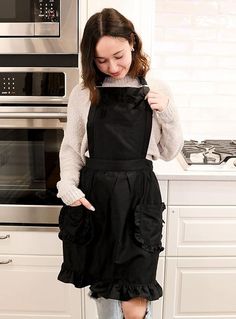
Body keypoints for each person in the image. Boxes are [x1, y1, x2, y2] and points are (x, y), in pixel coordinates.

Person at [56, 8, 183, 319]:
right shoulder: (83, 92)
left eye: (119, 55)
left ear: (132, 42)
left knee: (136, 292)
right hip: (96, 194)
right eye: (101, 60)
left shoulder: (156, 87)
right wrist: (66, 184)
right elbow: (72, 147)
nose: (112, 66)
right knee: (104, 289)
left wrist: (167, 114)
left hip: (140, 196)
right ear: (90, 58)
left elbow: (169, 152)